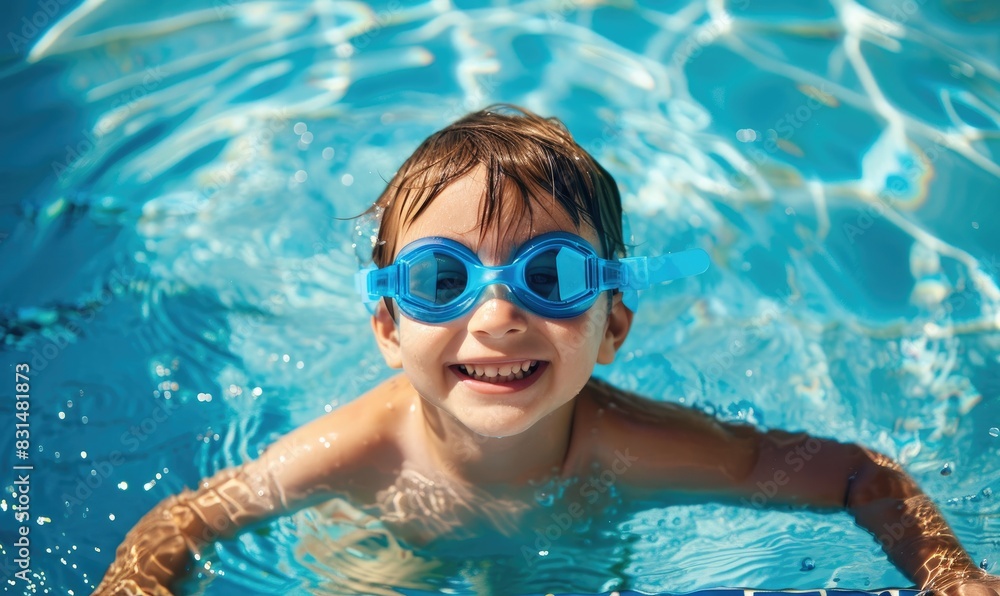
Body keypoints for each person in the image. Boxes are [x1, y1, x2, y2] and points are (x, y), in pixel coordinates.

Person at [97, 105, 998, 595]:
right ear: (386, 328)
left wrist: (952, 576)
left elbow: (855, 475)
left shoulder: (637, 447)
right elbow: (188, 520)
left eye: (553, 276)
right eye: (442, 283)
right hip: (390, 559)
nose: (497, 319)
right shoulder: (357, 454)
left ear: (614, 323)